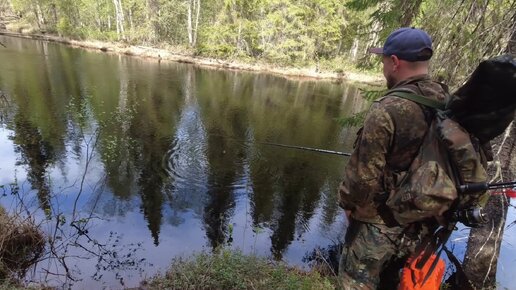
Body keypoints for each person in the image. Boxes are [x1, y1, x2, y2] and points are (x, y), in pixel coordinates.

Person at [338, 27, 448, 289]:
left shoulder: (388, 109)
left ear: (395, 62)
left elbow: (363, 178)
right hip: (424, 222)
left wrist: (349, 205)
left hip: (378, 223)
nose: (383, 68)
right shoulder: (447, 100)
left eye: (384, 61)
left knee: (355, 283)